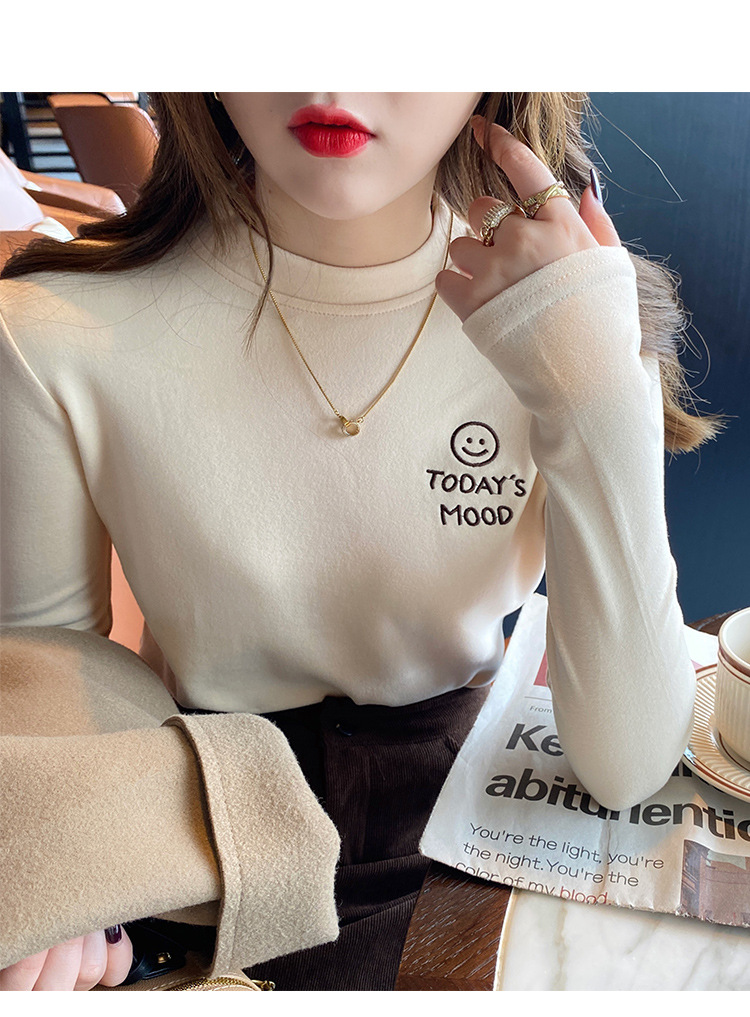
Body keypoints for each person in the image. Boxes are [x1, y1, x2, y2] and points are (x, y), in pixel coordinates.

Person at [0, 92, 724, 991]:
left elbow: (625, 767)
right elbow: (38, 681)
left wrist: (598, 392)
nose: (332, 74)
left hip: (474, 840)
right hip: (196, 841)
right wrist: (63, 867)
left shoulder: (562, 311)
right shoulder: (49, 332)